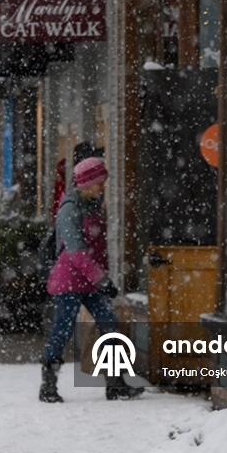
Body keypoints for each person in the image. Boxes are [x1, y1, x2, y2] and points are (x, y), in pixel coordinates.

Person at [40, 156, 144, 403]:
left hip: (89, 281)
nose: (102, 187)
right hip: (68, 281)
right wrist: (102, 279)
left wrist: (101, 277)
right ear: (86, 183)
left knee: (109, 324)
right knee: (62, 331)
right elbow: (76, 253)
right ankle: (48, 385)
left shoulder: (94, 206)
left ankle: (115, 383)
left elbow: (97, 248)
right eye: (99, 182)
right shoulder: (69, 209)